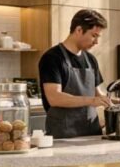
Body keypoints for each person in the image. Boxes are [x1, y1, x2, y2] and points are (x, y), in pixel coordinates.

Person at [38, 9, 113, 138]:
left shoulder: (90, 59)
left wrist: (119, 101)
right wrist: (91, 100)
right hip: (63, 136)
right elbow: (54, 98)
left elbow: (97, 94)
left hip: (92, 135)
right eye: (94, 35)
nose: (96, 42)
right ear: (79, 30)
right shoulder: (52, 58)